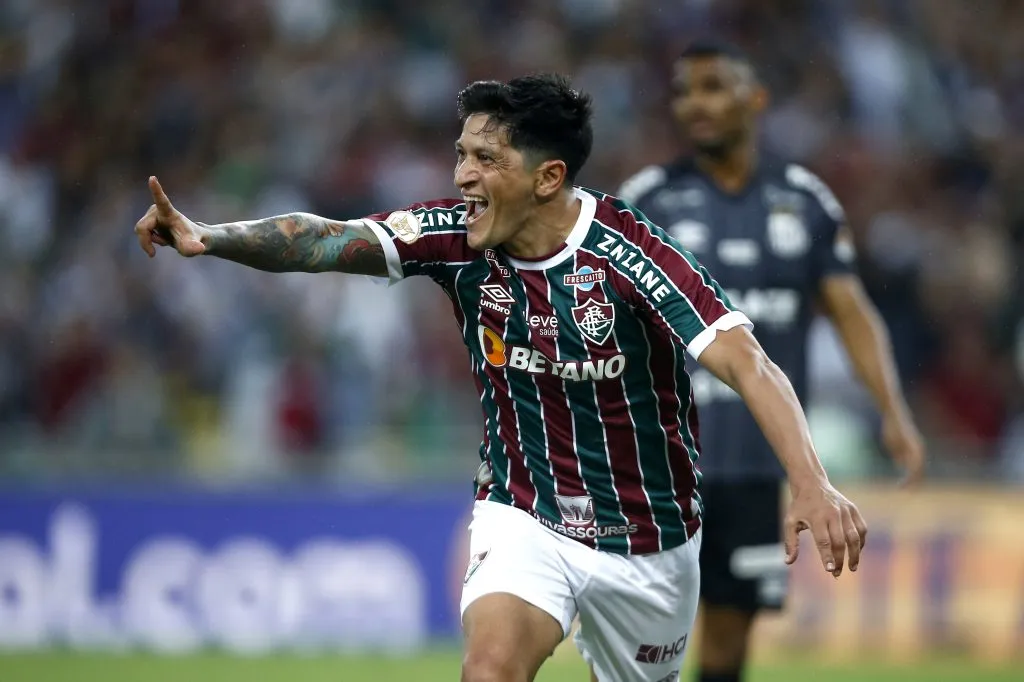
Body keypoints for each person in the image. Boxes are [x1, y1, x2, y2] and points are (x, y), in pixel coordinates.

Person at [135, 74, 867, 682]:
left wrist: (811, 481)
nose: (462, 176)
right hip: (525, 513)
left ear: (548, 177)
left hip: (652, 537)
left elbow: (748, 361)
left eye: (485, 159)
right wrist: (211, 237)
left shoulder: (631, 255)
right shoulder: (453, 238)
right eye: (461, 155)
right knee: (489, 670)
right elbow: (327, 238)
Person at [616, 41, 926, 682]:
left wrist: (893, 411)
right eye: (683, 91)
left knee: (727, 642)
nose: (694, 104)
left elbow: (851, 311)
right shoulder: (648, 198)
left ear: (754, 99)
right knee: (642, 646)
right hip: (661, 464)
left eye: (712, 87)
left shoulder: (804, 200)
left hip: (757, 464)